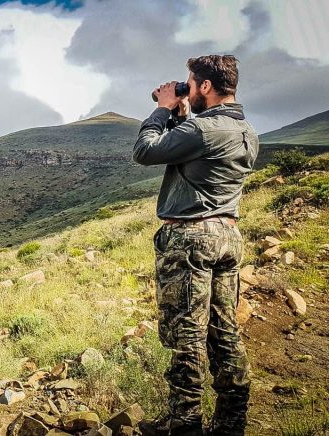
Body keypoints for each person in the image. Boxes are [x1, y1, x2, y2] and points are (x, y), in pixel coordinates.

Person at [132, 54, 258, 435]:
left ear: (205, 86)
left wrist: (162, 109)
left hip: (190, 239)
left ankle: (184, 423)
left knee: (186, 335)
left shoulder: (203, 130)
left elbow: (146, 152)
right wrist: (184, 115)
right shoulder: (247, 132)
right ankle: (231, 422)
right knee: (224, 332)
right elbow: (199, 155)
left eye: (190, 82)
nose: (186, 87)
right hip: (227, 236)